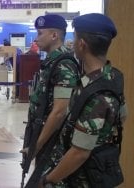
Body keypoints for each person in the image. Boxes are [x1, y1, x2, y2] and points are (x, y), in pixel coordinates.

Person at [38, 13, 126, 188]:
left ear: (82, 44)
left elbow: (79, 153)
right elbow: (123, 116)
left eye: (75, 36)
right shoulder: (113, 76)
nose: (72, 42)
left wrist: (48, 180)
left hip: (80, 178)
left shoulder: (96, 94)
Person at [21, 14, 80, 164]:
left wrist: (36, 146)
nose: (35, 38)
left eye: (40, 33)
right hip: (45, 135)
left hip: (54, 141)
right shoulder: (52, 61)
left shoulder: (63, 64)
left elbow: (60, 111)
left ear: (54, 35)